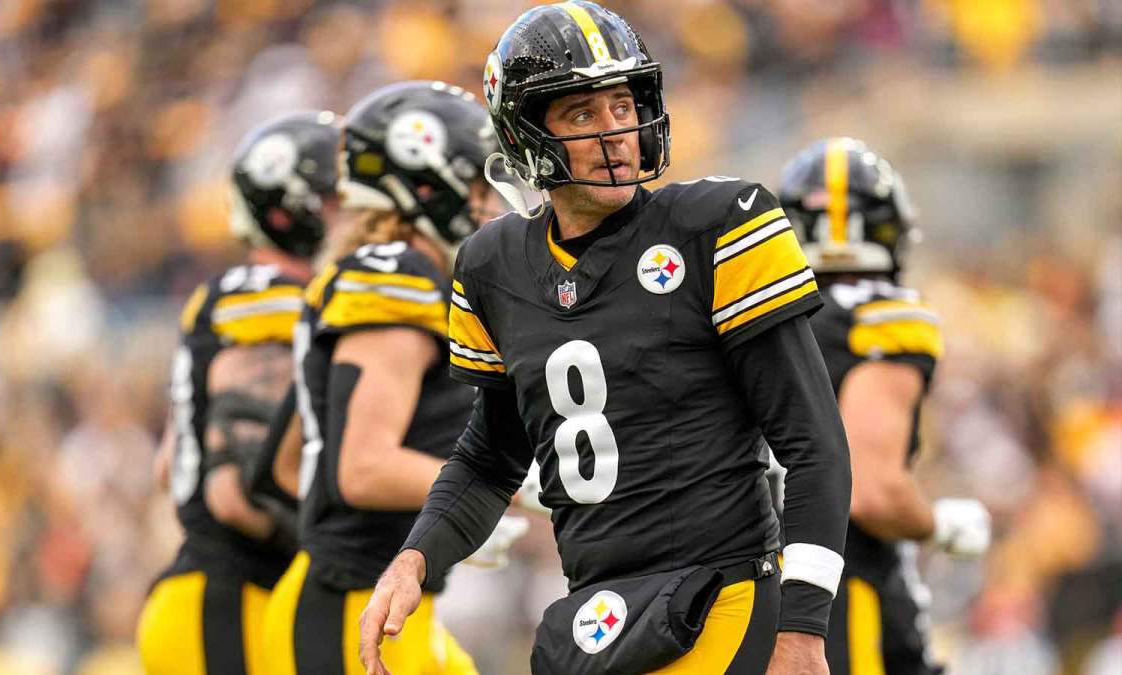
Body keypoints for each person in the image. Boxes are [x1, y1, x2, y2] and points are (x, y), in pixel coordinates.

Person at [360, 3, 852, 674]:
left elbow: (813, 441)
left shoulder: (716, 225)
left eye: (623, 105)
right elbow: (490, 456)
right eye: (583, 114)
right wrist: (414, 559)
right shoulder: (491, 265)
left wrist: (802, 629)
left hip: (724, 596)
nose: (615, 131)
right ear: (527, 134)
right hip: (596, 615)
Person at [260, 80, 523, 675]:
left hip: (363, 600)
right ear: (428, 183)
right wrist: (497, 488)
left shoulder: (366, 275)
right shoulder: (396, 277)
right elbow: (363, 467)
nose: (490, 202)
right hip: (355, 603)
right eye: (479, 185)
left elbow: (286, 464)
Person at [137, 112, 341, 675]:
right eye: (339, 199)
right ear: (292, 209)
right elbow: (238, 492)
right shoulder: (275, 301)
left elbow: (168, 464)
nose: (358, 216)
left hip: (216, 596)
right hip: (231, 602)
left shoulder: (220, 299)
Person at [778, 137, 991, 675]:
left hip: (755, 588)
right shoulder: (886, 317)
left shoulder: (758, 317)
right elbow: (869, 491)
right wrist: (934, 525)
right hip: (843, 588)